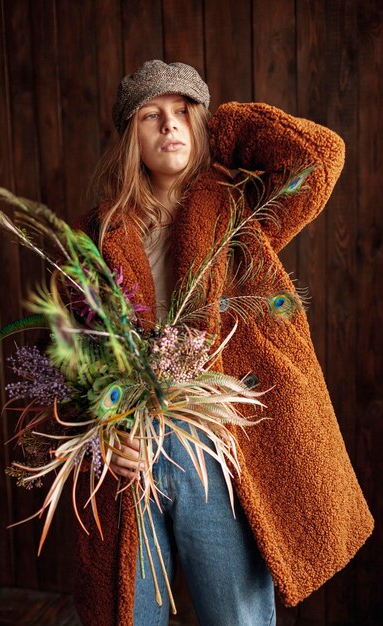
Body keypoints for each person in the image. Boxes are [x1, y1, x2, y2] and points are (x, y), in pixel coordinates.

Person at [73, 60, 373, 626]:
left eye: (183, 113)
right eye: (151, 116)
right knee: (129, 615)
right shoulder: (95, 233)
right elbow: (63, 353)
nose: (170, 126)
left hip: (217, 450)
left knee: (235, 615)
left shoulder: (241, 209)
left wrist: (222, 123)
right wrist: (102, 441)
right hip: (128, 461)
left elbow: (320, 156)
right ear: (128, 136)